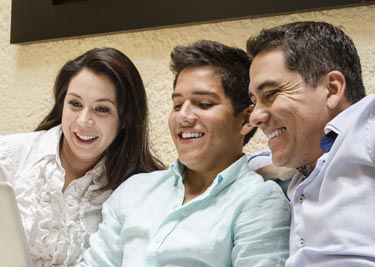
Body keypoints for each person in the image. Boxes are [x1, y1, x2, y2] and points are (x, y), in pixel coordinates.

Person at [78, 40, 291, 267]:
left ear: (246, 119)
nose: (183, 117)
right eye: (178, 105)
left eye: (204, 104)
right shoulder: (134, 190)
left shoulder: (258, 200)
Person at [246, 21, 375, 266]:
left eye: (271, 94)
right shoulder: (305, 159)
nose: (255, 117)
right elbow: (248, 163)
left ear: (332, 88)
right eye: (254, 101)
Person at [0, 47, 164, 267]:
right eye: (75, 104)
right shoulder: (8, 155)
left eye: (102, 109)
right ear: (62, 104)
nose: (84, 121)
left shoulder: (139, 190)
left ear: (125, 119)